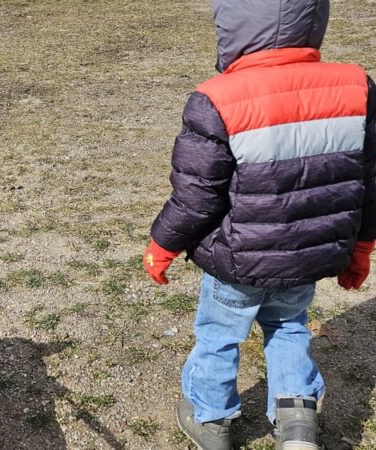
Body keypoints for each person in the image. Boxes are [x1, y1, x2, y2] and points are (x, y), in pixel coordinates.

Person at [142, 1, 376, 449]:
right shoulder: (358, 87)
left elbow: (196, 194)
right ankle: (297, 421)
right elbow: (370, 181)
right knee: (289, 324)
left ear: (231, 23)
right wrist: (361, 246)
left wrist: (161, 244)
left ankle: (210, 418)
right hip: (311, 254)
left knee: (218, 333)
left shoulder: (217, 97)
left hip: (238, 258)